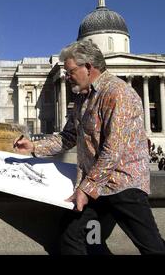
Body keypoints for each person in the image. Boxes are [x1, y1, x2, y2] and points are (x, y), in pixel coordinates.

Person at [13, 40, 165, 255]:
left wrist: (86, 188)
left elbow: (114, 149)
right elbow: (68, 137)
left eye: (70, 71)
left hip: (124, 184)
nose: (67, 76)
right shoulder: (81, 99)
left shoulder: (118, 93)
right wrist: (34, 146)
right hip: (97, 187)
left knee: (152, 247)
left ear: (89, 67)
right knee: (72, 237)